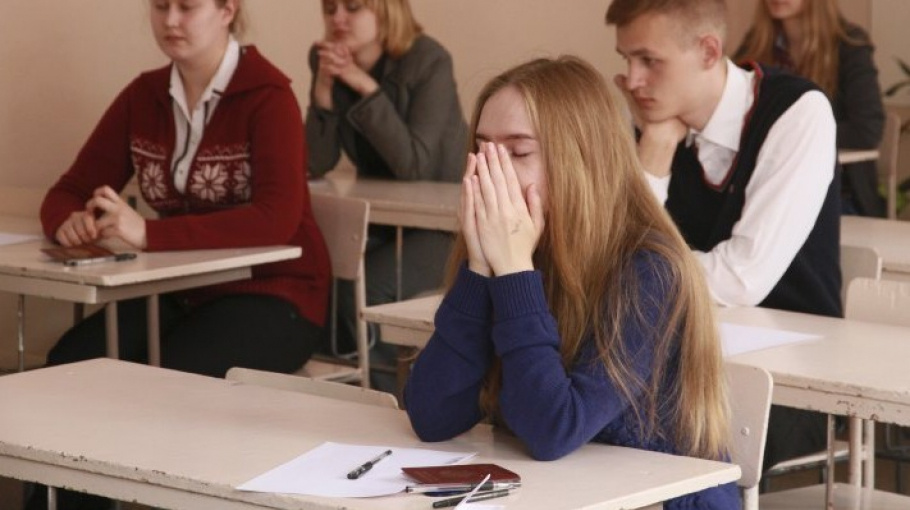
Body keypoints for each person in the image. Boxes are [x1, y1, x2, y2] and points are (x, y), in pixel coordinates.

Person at [404, 56, 738, 509]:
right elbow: (432, 416)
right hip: (552, 495)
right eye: (482, 152)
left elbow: (552, 431)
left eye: (518, 153)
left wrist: (514, 272)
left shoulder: (650, 269)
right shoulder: (514, 250)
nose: (490, 174)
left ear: (581, 159)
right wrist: (480, 269)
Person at [31, 1, 330, 507]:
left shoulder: (268, 95)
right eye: (160, 6)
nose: (170, 20)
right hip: (180, 289)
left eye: (187, 6)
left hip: (279, 294)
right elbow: (68, 190)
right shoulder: (143, 96)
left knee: (166, 380)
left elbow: (275, 219)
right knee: (72, 363)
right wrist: (68, 220)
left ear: (227, 10)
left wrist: (149, 234)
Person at [606, 0, 840, 472]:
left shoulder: (797, 112)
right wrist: (655, 150)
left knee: (650, 442)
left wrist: (642, 271)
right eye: (626, 60)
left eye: (649, 60)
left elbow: (740, 279)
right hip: (679, 359)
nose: (632, 80)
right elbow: (611, 258)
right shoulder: (656, 125)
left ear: (709, 51)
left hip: (792, 377)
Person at [304, 0, 467, 382]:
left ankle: (385, 395)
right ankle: (345, 383)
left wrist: (364, 86)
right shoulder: (325, 59)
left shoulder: (430, 61)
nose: (337, 18)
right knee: (320, 268)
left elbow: (415, 165)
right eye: (330, 8)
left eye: (353, 7)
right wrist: (323, 89)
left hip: (444, 225)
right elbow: (315, 162)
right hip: (382, 216)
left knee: (366, 285)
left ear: (386, 9)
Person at [736, 0, 887, 217]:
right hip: (766, 191)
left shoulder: (849, 44)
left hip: (837, 194)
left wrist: (789, 135)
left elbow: (867, 130)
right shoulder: (757, 43)